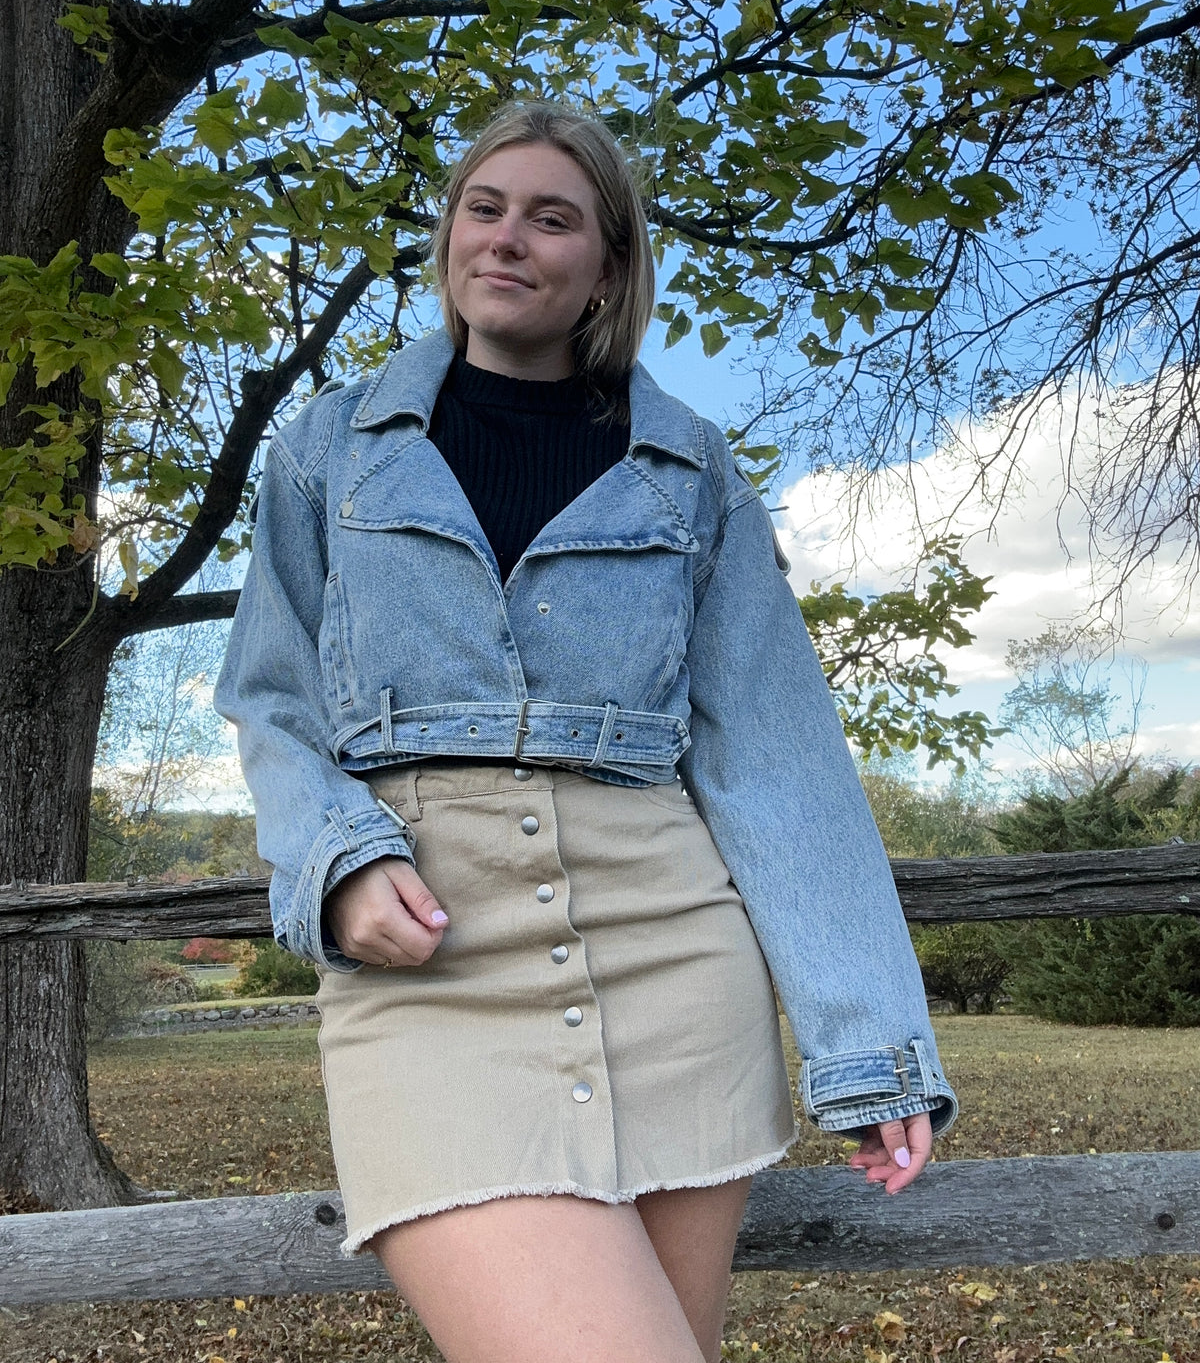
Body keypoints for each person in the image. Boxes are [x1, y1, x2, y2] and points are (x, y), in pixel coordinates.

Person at [215, 102, 957, 1363]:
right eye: (482, 206)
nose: (505, 237)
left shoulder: (688, 469)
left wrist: (868, 1044)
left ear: (608, 265)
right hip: (434, 971)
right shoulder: (329, 450)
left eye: (551, 217)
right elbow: (272, 702)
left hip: (674, 964)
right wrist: (335, 862)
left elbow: (774, 755)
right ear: (449, 233)